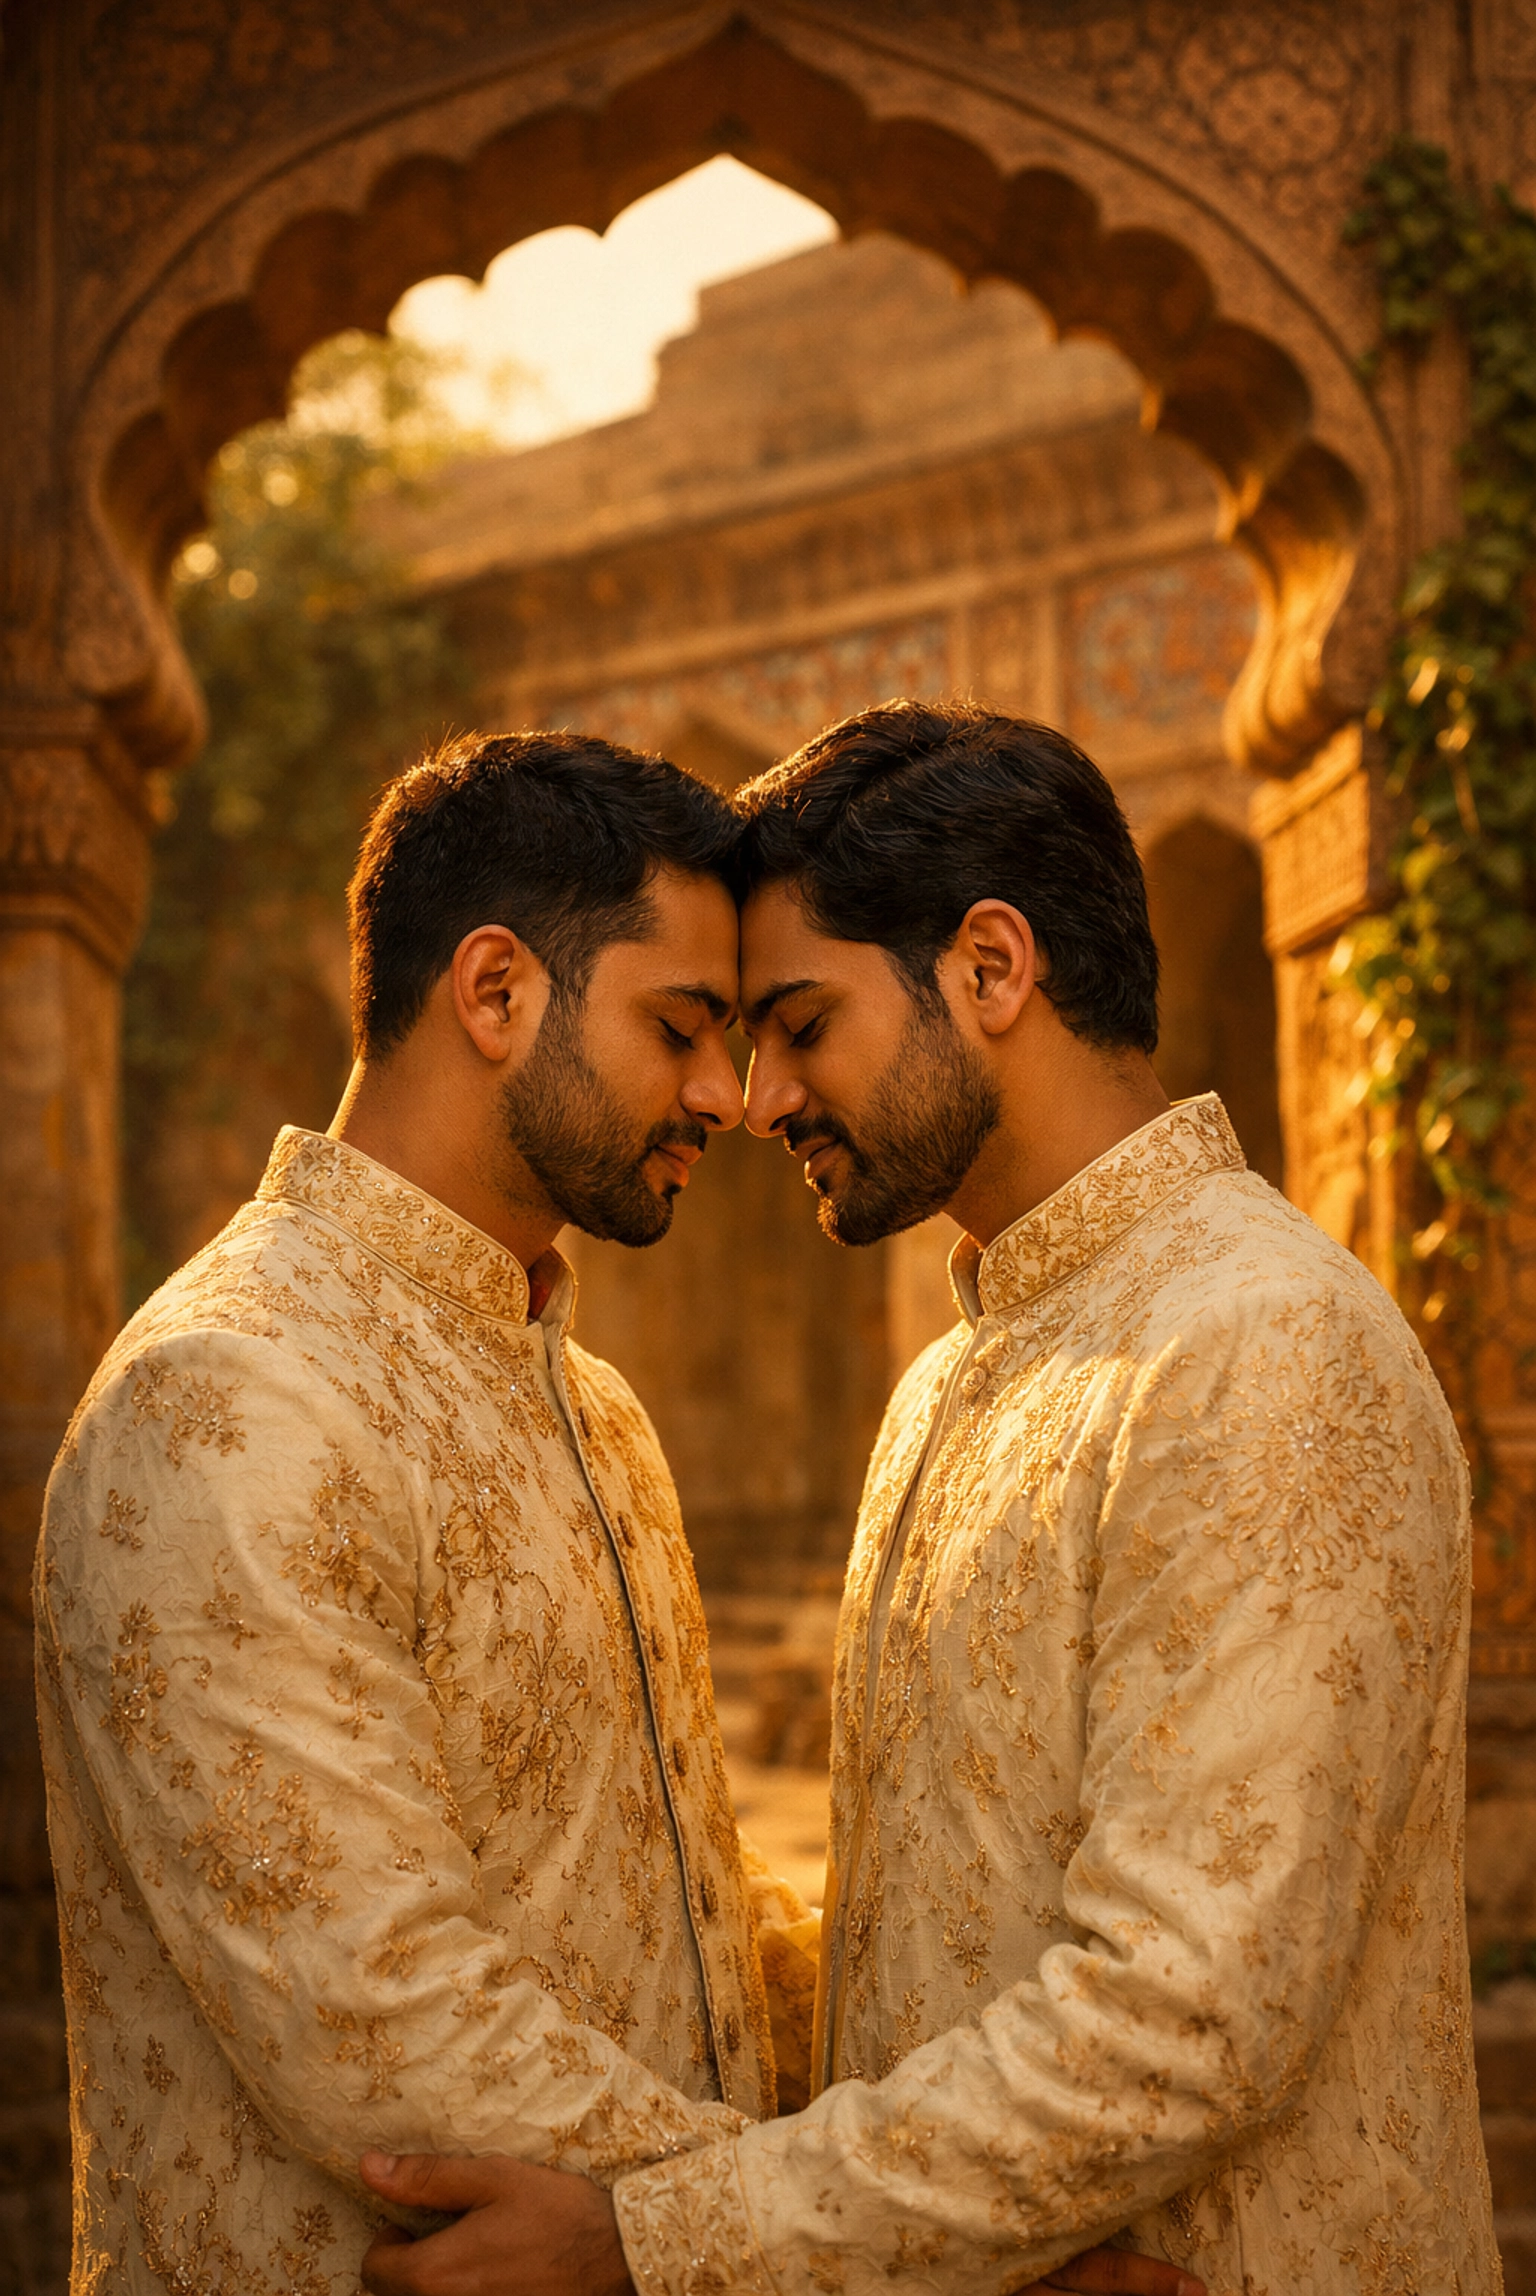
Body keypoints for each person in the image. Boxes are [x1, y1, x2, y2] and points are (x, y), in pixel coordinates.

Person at [359, 701, 1497, 2295]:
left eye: (801, 1024)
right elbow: (928, 1942)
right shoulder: (962, 1382)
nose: (757, 1100)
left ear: (990, 968)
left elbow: (1183, 2013)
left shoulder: (1261, 1344)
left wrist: (667, 2243)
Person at [37, 725, 1178, 2296]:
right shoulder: (230, 1398)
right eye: (685, 1026)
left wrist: (930, 2209)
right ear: (496, 993)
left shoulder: (585, 1405)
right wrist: (915, 2265)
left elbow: (687, 1907)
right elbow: (384, 2018)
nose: (733, 1091)